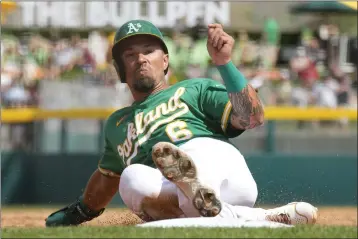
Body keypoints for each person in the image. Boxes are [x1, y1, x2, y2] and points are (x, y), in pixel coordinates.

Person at [45, 20, 318, 227]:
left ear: (165, 61)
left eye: (149, 51)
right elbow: (106, 181)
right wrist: (79, 212)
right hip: (173, 192)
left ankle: (198, 193)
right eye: (130, 55)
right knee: (132, 178)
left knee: (168, 170)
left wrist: (224, 64)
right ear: (119, 69)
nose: (140, 58)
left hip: (218, 163)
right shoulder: (117, 124)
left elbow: (252, 117)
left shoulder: (194, 89)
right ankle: (256, 217)